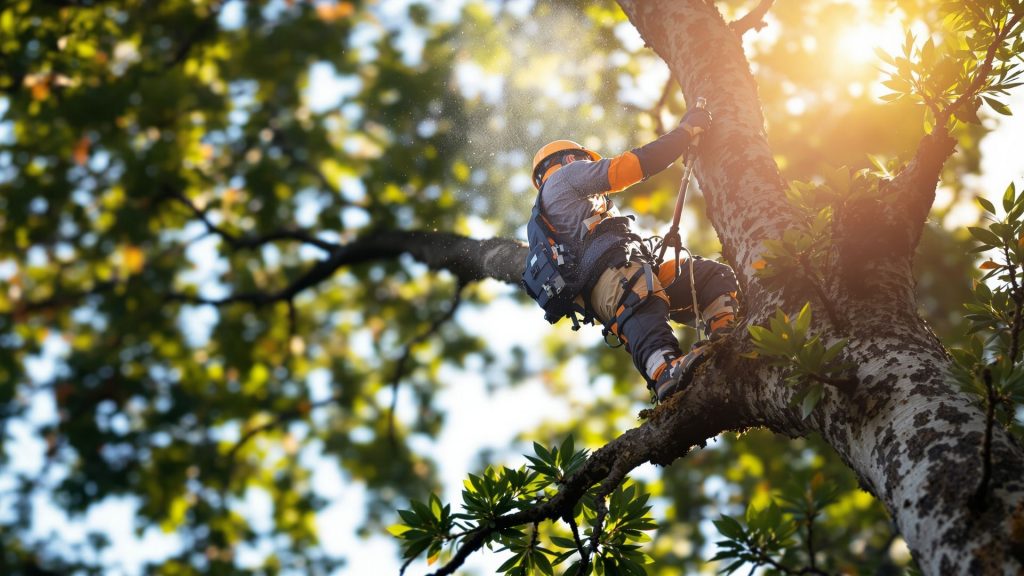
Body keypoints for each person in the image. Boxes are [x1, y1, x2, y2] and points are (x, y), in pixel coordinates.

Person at [522, 108, 739, 402]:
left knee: (707, 276)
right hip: (613, 276)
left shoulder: (556, 205)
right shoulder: (565, 177)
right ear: (570, 159)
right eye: (585, 161)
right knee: (641, 306)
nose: (589, 166)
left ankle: (726, 334)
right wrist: (684, 133)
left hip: (623, 273)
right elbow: (632, 166)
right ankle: (665, 371)